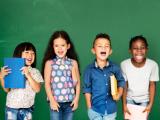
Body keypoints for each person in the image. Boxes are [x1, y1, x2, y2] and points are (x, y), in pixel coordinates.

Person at [83, 33, 125, 120]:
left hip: (111, 110)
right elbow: (87, 89)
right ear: (93, 50)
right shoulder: (89, 69)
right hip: (95, 110)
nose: (103, 48)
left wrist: (119, 94)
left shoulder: (115, 68)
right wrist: (89, 107)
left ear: (110, 51)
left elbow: (121, 82)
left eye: (106, 46)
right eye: (99, 46)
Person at [42, 30, 80, 120]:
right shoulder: (49, 63)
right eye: (56, 46)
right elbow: (47, 84)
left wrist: (76, 99)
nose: (60, 49)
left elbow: (77, 83)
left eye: (62, 45)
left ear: (68, 46)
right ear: (52, 47)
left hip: (70, 102)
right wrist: (52, 100)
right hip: (56, 102)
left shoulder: (73, 62)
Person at [0, 42, 43, 120]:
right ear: (19, 54)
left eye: (33, 53)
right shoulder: (12, 69)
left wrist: (28, 75)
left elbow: (37, 89)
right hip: (11, 107)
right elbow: (7, 90)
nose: (30, 55)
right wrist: (1, 77)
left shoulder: (35, 71)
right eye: (27, 52)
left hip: (27, 109)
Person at [121, 35, 159, 120]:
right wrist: (124, 105)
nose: (139, 51)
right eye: (135, 48)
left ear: (146, 49)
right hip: (129, 99)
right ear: (130, 50)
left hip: (144, 100)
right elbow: (124, 86)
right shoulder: (124, 64)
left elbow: (152, 85)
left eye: (142, 48)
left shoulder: (153, 65)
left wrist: (150, 105)